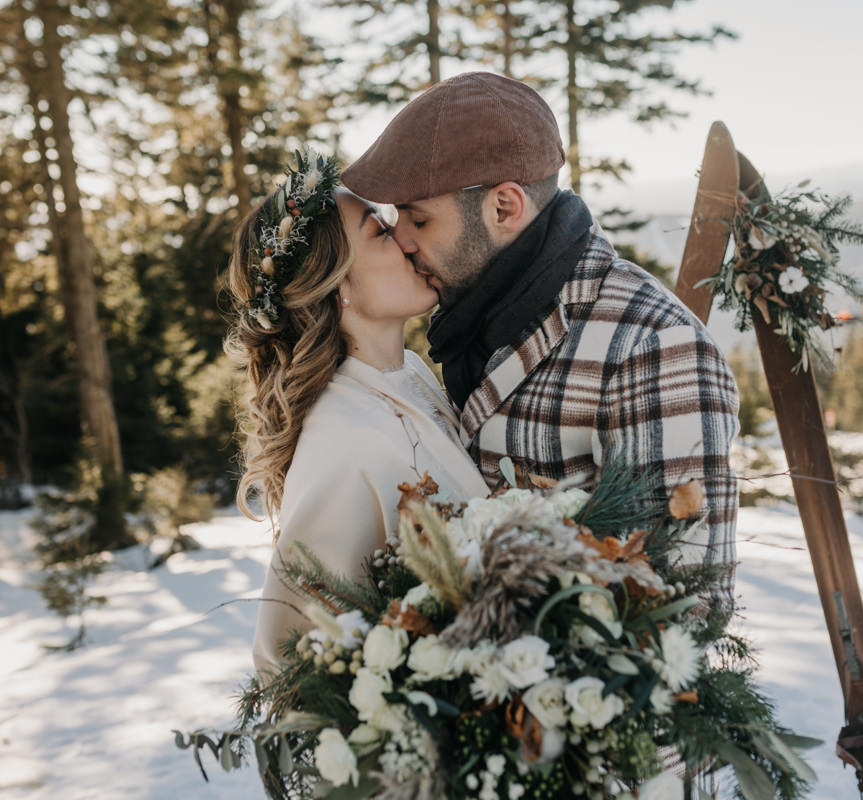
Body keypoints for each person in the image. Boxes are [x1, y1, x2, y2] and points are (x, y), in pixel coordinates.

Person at [342, 72, 741, 615]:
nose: (401, 240)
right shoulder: (469, 320)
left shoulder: (650, 346)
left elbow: (683, 606)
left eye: (419, 218)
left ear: (504, 208)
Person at [231, 151, 489, 678]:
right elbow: (288, 665)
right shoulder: (343, 442)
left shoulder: (411, 373)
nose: (406, 240)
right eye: (379, 232)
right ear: (339, 285)